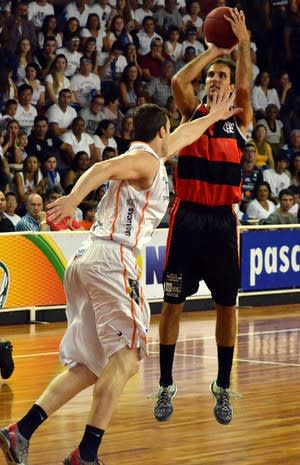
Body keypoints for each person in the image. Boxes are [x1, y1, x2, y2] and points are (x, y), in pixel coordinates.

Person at [0, 95, 241, 465]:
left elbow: (186, 133)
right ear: (161, 131)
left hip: (88, 259)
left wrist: (215, 117)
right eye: (169, 131)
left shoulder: (153, 156)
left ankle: (21, 431)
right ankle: (87, 454)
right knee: (128, 357)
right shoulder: (143, 159)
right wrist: (72, 199)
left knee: (91, 366)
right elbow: (102, 168)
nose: (174, 136)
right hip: (113, 259)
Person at [153, 7, 253, 426]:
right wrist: (214, 52)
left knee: (227, 308)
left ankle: (223, 386)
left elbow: (245, 84)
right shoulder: (191, 112)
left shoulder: (240, 119)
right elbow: (179, 81)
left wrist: (243, 45)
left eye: (222, 77)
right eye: (212, 76)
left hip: (223, 224)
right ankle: (164, 384)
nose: (215, 80)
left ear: (231, 87)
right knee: (172, 305)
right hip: (188, 218)